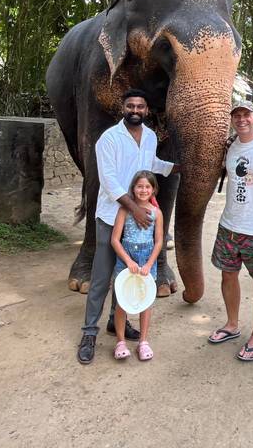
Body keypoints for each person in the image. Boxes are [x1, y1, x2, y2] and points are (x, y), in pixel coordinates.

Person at [77, 88, 179, 364]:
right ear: (123, 109)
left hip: (139, 222)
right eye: (131, 106)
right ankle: (89, 333)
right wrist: (133, 208)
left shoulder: (149, 136)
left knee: (127, 274)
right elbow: (109, 180)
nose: (135, 110)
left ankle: (115, 322)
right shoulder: (108, 139)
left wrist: (175, 168)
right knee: (101, 278)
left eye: (140, 106)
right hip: (112, 218)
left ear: (147, 111)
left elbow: (149, 165)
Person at [208, 100, 253, 361]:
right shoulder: (230, 146)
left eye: (246, 114)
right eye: (236, 115)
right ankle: (232, 325)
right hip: (229, 226)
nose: (241, 119)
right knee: (228, 276)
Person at [111, 171, 163, 361]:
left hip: (147, 260)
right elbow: (115, 240)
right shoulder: (124, 210)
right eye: (139, 186)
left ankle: (143, 341)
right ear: (133, 189)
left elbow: (158, 241)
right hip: (126, 259)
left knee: (146, 301)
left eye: (147, 187)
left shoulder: (157, 213)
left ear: (153, 190)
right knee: (121, 302)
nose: (143, 190)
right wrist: (128, 261)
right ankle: (120, 341)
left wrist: (149, 263)